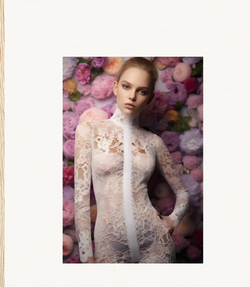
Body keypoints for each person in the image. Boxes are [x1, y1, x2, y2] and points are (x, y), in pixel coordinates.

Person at [74, 57, 190, 263]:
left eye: (142, 91)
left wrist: (172, 221)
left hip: (155, 241)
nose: (133, 96)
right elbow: (81, 201)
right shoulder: (89, 131)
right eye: (127, 87)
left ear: (150, 97)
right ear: (116, 87)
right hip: (109, 244)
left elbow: (182, 192)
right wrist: (86, 255)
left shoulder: (154, 142)